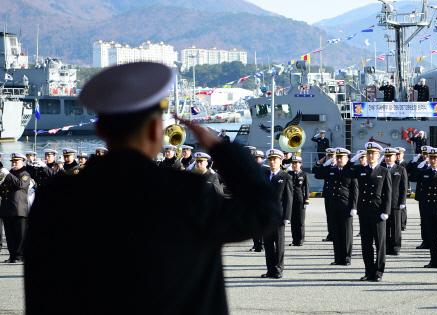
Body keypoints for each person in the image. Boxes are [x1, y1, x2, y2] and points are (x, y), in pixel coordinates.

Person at [24, 62, 279, 315]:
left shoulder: (56, 198)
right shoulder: (185, 193)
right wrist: (222, 148)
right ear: (157, 129)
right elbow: (264, 211)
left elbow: (40, 288)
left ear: (100, 129)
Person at [351, 142, 391, 282]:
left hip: (378, 212)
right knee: (366, 244)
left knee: (380, 244)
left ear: (378, 155)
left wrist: (386, 211)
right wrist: (355, 157)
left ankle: (379, 272)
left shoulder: (384, 171)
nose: (370, 156)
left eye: (373, 153)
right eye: (368, 153)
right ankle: (369, 271)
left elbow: (388, 193)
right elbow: (346, 170)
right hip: (364, 212)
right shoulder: (361, 170)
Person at [322, 148, 358, 265]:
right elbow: (317, 172)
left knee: (346, 233)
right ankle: (338, 258)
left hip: (346, 206)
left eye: (341, 157)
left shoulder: (351, 171)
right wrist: (327, 161)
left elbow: (354, 191)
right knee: (336, 233)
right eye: (337, 157)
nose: (339, 159)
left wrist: (354, 207)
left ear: (347, 159)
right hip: (334, 206)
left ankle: (347, 258)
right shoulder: (331, 170)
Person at [261, 149, 293, 279]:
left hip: (279, 216)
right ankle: (270, 270)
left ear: (281, 161)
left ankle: (278, 269)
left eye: (275, 159)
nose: (272, 162)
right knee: (268, 244)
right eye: (271, 160)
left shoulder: (286, 177)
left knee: (279, 244)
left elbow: (288, 198)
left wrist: (287, 217)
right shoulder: (264, 175)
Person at [0, 153, 32, 263]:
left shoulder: (25, 174)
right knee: (9, 235)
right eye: (12, 161)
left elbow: (19, 184)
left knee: (20, 235)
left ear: (22, 161)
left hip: (19, 209)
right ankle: (12, 256)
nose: (14, 163)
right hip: (7, 208)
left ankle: (19, 256)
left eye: (16, 161)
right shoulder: (9, 174)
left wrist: (7, 174)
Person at [381, 147, 408, 256]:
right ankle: (386, 247)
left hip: (396, 202)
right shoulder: (381, 168)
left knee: (396, 226)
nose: (388, 158)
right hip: (383, 202)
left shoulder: (400, 169)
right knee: (385, 226)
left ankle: (396, 247)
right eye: (386, 156)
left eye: (390, 156)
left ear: (395, 157)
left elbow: (404, 187)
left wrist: (403, 201)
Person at [313, 148, 337, 242]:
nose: (331, 157)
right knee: (330, 216)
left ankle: (338, 234)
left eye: (332, 155)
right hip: (328, 195)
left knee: (338, 216)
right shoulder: (326, 167)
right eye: (329, 156)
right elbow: (316, 173)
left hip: (339, 195)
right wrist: (321, 162)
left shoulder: (340, 167)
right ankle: (331, 235)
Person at [288, 156, 309, 247]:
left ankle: (300, 239)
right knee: (293, 221)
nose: (294, 165)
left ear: (300, 164)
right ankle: (294, 240)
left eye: (296, 163)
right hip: (290, 200)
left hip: (300, 200)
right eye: (293, 163)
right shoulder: (289, 173)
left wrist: (306, 201)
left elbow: (307, 188)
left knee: (300, 221)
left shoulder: (304, 174)